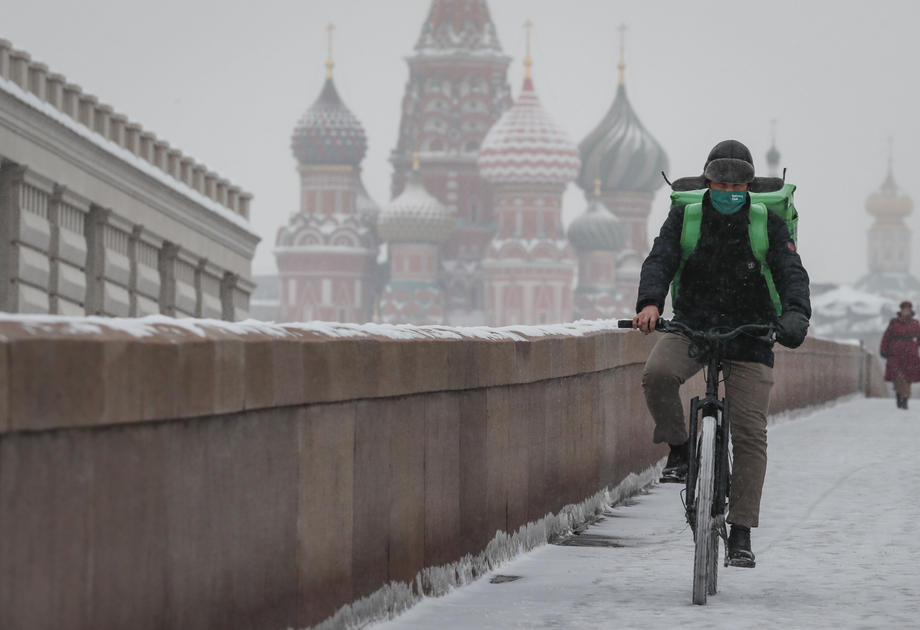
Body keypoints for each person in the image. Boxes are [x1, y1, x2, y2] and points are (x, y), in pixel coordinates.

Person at [631, 139, 811, 568]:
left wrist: (795, 316)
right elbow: (661, 258)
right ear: (707, 181)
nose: (729, 189)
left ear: (750, 186)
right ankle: (679, 448)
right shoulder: (686, 216)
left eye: (738, 183)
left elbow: (791, 273)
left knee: (750, 433)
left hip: (750, 333)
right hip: (693, 325)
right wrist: (650, 303)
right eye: (721, 181)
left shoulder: (767, 222)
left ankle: (742, 530)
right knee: (657, 374)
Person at [879, 300, 920, 409]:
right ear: (901, 310)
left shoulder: (916, 323)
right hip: (895, 353)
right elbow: (887, 336)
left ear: (910, 310)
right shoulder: (894, 322)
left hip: (910, 354)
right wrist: (883, 349)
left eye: (907, 309)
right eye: (903, 309)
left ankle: (905, 399)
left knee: (908, 378)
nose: (905, 311)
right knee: (897, 377)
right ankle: (899, 397)